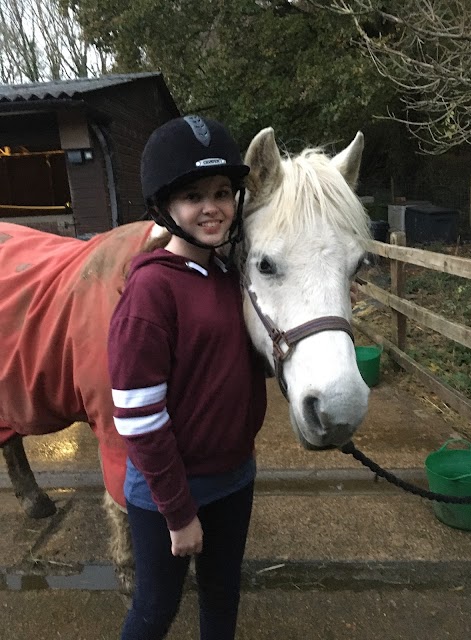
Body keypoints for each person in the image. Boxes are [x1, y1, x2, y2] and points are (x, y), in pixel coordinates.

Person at [107, 115, 267, 640]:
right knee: (156, 609)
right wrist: (178, 513)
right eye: (193, 196)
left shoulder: (225, 275)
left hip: (234, 478)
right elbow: (137, 416)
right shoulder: (151, 292)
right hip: (169, 493)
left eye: (222, 192)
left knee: (223, 596)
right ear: (164, 208)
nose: (212, 207)